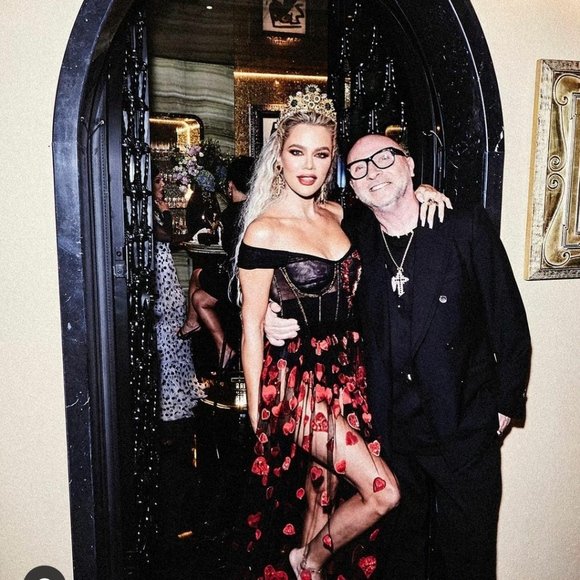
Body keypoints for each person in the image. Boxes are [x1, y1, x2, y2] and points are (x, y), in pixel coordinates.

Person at [265, 133, 532, 579]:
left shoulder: (463, 226)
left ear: (409, 164)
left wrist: (505, 405)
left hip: (464, 426)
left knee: (467, 560)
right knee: (400, 562)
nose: (374, 172)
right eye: (360, 168)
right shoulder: (353, 242)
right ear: (352, 187)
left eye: (385, 158)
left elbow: (508, 321)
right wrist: (265, 315)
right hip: (392, 435)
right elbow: (281, 264)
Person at [233, 86, 402, 580]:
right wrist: (258, 413)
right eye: (297, 152)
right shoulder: (264, 229)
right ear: (279, 156)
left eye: (322, 154)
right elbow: (250, 327)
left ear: (333, 161)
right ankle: (305, 560)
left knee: (321, 494)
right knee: (383, 492)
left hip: (346, 374)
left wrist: (425, 191)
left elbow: (392, 211)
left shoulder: (339, 214)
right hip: (296, 382)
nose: (309, 165)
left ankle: (307, 571)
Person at [178, 156, 255, 370]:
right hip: (246, 280)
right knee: (199, 298)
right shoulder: (257, 210)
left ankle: (192, 323)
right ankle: (224, 349)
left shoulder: (231, 213)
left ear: (230, 185)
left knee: (196, 275)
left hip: (238, 283)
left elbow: (230, 250)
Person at [152, 170, 207, 421]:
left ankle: (182, 388)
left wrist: (189, 237)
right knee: (166, 325)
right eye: (158, 181)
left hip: (166, 272)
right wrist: (167, 212)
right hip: (159, 276)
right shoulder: (149, 208)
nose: (163, 184)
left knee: (175, 322)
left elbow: (169, 239)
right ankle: (169, 394)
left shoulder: (153, 207)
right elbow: (163, 235)